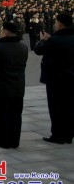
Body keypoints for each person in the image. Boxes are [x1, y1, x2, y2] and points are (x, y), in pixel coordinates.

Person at [33, 13, 74, 144]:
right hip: (71, 77)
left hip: (55, 79)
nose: (55, 24)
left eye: (56, 22)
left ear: (60, 24)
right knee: (69, 106)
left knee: (56, 108)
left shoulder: (54, 40)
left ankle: (57, 135)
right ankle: (68, 135)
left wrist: (43, 40)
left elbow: (38, 50)